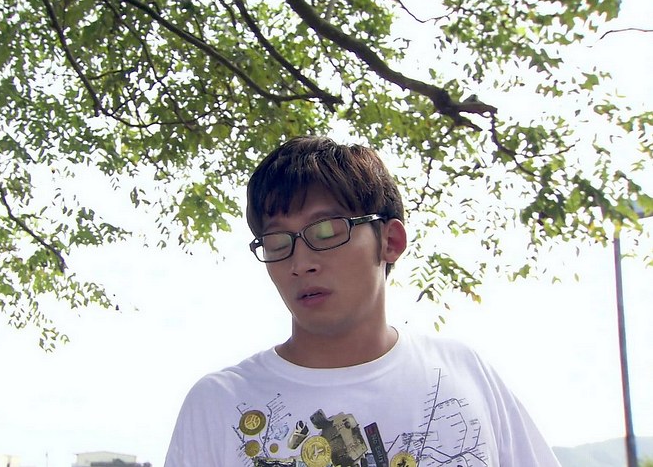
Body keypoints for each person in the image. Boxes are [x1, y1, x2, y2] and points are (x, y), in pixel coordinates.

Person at [164, 136, 560, 467]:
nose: (301, 263)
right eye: (277, 241)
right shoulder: (221, 403)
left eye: (326, 231)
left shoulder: (465, 374)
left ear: (391, 241)